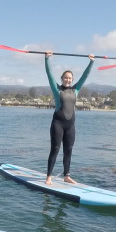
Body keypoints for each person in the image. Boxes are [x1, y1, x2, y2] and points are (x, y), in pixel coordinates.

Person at [44, 51, 95, 185]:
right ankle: (48, 176)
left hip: (70, 126)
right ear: (62, 79)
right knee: (55, 149)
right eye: (65, 78)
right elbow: (49, 75)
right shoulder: (57, 89)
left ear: (72, 80)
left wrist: (91, 62)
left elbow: (85, 75)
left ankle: (67, 175)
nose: (68, 80)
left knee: (69, 149)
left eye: (70, 78)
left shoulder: (76, 90)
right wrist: (47, 59)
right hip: (58, 124)